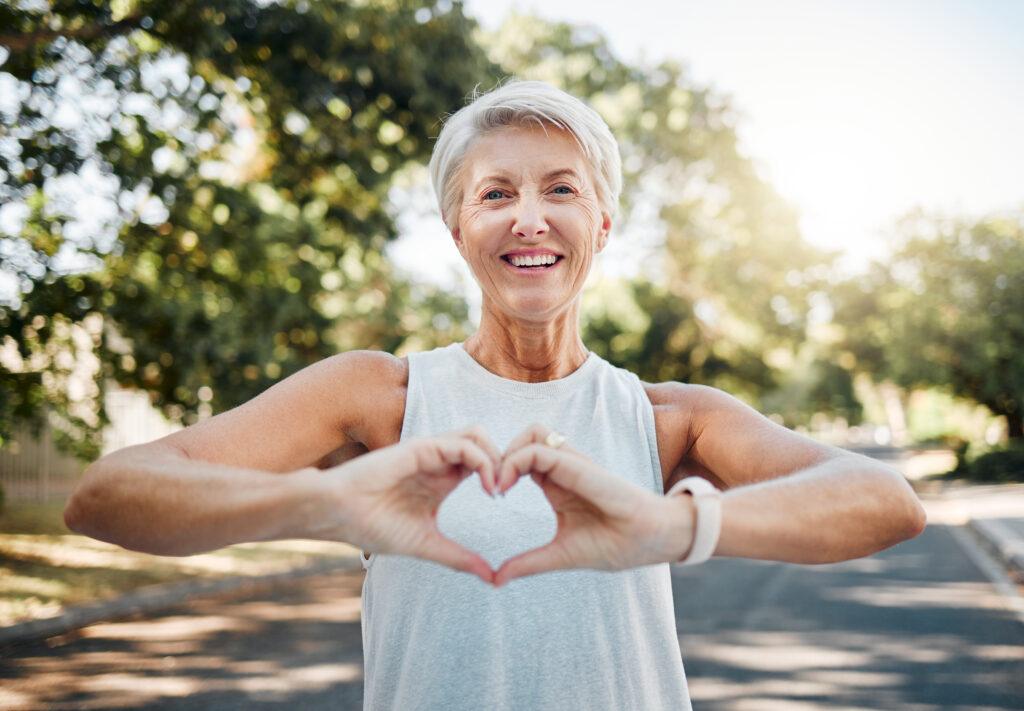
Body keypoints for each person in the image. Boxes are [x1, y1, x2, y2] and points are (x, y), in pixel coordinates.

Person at [64, 79, 928, 710]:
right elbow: (104, 497)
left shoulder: (668, 419)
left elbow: (885, 501)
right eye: (496, 194)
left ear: (601, 224)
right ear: (457, 229)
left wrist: (673, 524)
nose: (529, 217)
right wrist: (324, 502)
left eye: (561, 189)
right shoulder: (380, 396)